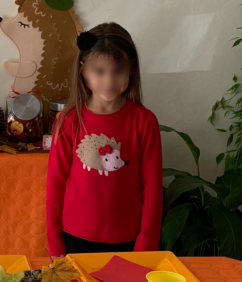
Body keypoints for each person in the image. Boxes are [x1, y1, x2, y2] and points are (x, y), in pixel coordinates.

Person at [46, 22, 163, 255]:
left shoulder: (145, 121)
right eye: (99, 71)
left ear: (131, 69)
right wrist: (55, 243)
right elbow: (55, 185)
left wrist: (146, 245)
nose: (109, 81)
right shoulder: (68, 121)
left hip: (128, 239)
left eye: (118, 70)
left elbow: (152, 190)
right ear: (83, 69)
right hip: (75, 237)